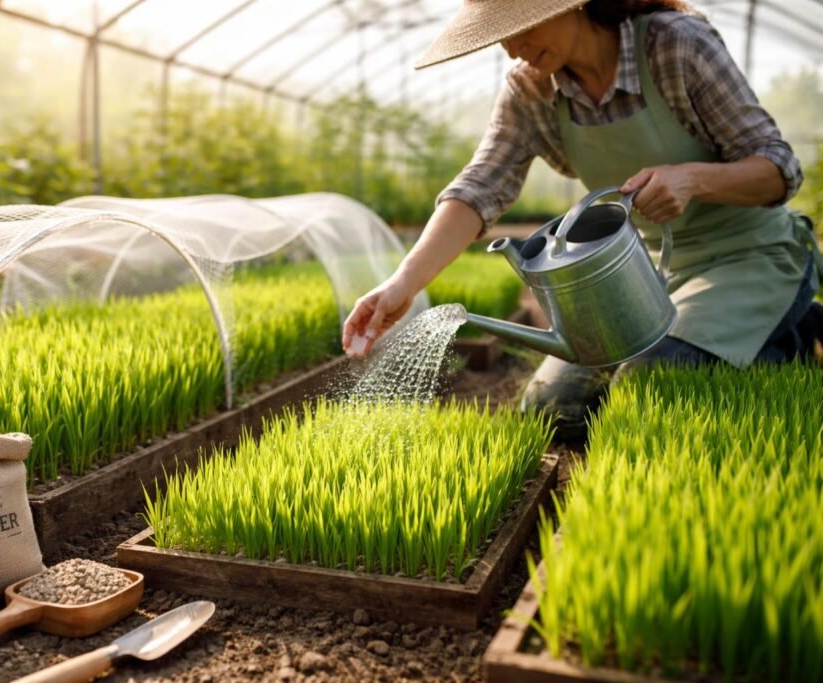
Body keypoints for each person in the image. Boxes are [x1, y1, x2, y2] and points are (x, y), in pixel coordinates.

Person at [342, 0, 823, 437]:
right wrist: (402, 283)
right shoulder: (531, 90)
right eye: (501, 37)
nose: (513, 50)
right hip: (646, 272)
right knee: (554, 412)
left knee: (652, 386)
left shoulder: (676, 47)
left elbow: (779, 170)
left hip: (748, 257)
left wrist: (692, 179)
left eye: (521, 26)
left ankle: (785, 332)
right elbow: (479, 186)